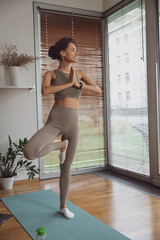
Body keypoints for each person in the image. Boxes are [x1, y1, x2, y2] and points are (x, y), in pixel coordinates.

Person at [23, 37, 102, 219]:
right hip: (56, 120)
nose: (76, 53)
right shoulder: (51, 74)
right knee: (29, 152)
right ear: (62, 53)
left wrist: (79, 84)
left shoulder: (80, 73)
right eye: (73, 49)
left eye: (76, 49)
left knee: (66, 168)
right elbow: (45, 91)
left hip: (73, 123)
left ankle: (63, 205)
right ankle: (60, 146)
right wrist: (69, 84)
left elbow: (97, 90)